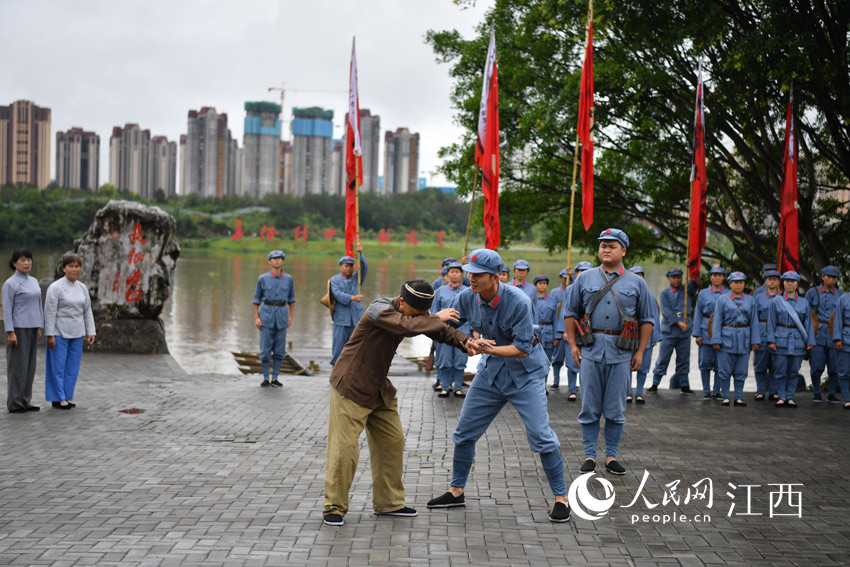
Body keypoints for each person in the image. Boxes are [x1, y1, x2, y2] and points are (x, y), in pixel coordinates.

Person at [426, 249, 570, 523]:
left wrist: (483, 349)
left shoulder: (518, 301)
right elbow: (451, 326)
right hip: (491, 374)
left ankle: (561, 498)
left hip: (525, 373)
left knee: (541, 436)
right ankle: (456, 492)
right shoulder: (468, 296)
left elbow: (522, 349)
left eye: (477, 275)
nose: (471, 278)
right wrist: (465, 340)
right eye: (469, 273)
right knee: (464, 432)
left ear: (495, 277)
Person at [323, 280, 472, 527]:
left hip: (379, 388)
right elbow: (406, 325)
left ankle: (389, 503)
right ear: (402, 302)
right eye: (418, 314)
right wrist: (435, 316)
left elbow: (437, 330)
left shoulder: (415, 316)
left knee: (392, 442)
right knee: (345, 449)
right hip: (351, 386)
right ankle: (334, 507)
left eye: (424, 314)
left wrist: (466, 342)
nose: (421, 318)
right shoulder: (378, 309)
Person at [564, 229, 654, 476]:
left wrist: (641, 352)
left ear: (623, 251)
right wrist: (573, 345)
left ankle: (611, 456)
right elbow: (570, 313)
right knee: (589, 406)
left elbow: (647, 320)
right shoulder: (584, 279)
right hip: (591, 349)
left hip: (622, 351)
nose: (606, 249)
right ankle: (589, 455)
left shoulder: (637, 282)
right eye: (603, 245)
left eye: (612, 246)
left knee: (615, 408)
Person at [43, 255, 96, 409]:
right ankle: (58, 398)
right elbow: (50, 312)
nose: (74, 269)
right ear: (64, 268)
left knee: (72, 367)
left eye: (77, 266)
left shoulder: (82, 288)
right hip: (59, 331)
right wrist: (50, 334)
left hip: (77, 332)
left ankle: (66, 395)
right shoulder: (56, 287)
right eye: (70, 266)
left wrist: (90, 331)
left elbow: (87, 311)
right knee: (57, 366)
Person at [709, 272, 759, 406]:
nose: (738, 285)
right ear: (730, 284)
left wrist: (755, 340)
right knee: (724, 370)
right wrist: (716, 339)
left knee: (741, 371)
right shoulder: (722, 299)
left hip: (744, 337)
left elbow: (754, 321)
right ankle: (725, 396)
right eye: (735, 282)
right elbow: (717, 320)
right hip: (727, 337)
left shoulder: (750, 300)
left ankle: (738, 396)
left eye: (741, 282)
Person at [766, 271, 815, 408]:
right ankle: (781, 396)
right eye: (787, 281)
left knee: (794, 370)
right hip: (780, 339)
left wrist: (810, 341)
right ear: (783, 283)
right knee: (780, 370)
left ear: (797, 284)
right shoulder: (776, 301)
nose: (789, 283)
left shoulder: (804, 302)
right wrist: (771, 340)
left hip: (798, 340)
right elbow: (771, 322)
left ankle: (791, 397)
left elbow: (808, 324)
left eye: (792, 281)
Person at [3, 249, 43, 413]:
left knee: (30, 366)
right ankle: (15, 402)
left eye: (29, 259)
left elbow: (38, 304)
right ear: (14, 263)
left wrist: (40, 325)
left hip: (33, 328)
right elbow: (7, 309)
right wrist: (10, 331)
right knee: (17, 366)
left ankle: (25, 400)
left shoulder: (34, 281)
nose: (27, 263)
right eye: (22, 260)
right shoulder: (10, 284)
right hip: (19, 329)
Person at [648, 268, 696, 394]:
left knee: (684, 359)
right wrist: (678, 322)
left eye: (679, 277)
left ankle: (684, 385)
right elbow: (666, 312)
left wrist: (691, 265)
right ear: (669, 279)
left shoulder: (687, 291)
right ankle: (655, 383)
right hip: (669, 330)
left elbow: (695, 282)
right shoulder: (665, 293)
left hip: (684, 331)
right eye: (673, 277)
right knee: (663, 358)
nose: (676, 280)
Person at [252, 250, 295, 387]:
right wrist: (256, 317)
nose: (277, 261)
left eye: (279, 258)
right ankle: (265, 377)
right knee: (265, 349)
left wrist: (290, 316)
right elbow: (256, 300)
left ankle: (275, 378)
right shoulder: (262, 279)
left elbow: (292, 299)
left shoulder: (288, 279)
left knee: (279, 349)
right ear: (269, 261)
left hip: (282, 314)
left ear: (283, 261)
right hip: (266, 314)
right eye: (274, 258)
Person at [432, 262, 470, 398]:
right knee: (444, 360)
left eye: (457, 272)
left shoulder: (468, 291)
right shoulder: (440, 291)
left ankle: (458, 387)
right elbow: (434, 312)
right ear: (447, 275)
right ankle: (445, 386)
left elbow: (472, 313)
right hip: (444, 330)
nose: (454, 274)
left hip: (463, 329)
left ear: (461, 274)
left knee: (460, 360)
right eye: (452, 272)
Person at [805, 266, 843, 402]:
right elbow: (807, 315)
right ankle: (817, 392)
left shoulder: (840, 295)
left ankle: (832, 393)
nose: (831, 280)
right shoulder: (812, 293)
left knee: (834, 367)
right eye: (829, 277)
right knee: (816, 366)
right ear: (823, 277)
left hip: (834, 334)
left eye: (834, 277)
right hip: (817, 334)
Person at [555, 261, 592, 399]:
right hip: (573, 329)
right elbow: (565, 310)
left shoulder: (596, 288)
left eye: (586, 271)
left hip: (588, 330)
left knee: (587, 362)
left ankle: (586, 390)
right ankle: (572, 390)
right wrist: (564, 330)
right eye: (580, 271)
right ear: (576, 273)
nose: (583, 274)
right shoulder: (570, 289)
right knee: (572, 361)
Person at [626, 266, 661, 404]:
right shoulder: (626, 294)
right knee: (627, 365)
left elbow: (654, 318)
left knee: (644, 366)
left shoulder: (649, 295)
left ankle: (639, 393)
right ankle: (628, 392)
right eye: (635, 275)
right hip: (629, 335)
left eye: (640, 275)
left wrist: (655, 336)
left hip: (645, 336)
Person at [692, 267, 728, 399]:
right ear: (711, 277)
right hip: (706, 329)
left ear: (723, 278)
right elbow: (698, 314)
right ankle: (706, 390)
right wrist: (697, 334)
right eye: (715, 275)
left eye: (720, 275)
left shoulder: (728, 294)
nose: (717, 278)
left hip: (723, 331)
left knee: (720, 363)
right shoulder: (703, 293)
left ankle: (717, 390)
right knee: (705, 362)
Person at [330, 244, 367, 366]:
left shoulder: (357, 278)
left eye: (351, 266)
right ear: (341, 267)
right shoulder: (335, 280)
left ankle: (353, 374)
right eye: (346, 266)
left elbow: (364, 267)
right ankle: (336, 374)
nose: (349, 268)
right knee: (338, 348)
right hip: (341, 319)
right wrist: (352, 298)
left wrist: (360, 253)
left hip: (356, 318)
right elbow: (337, 294)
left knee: (357, 348)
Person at [753, 269, 781, 401]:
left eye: (775, 279)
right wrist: (755, 337)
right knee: (760, 364)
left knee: (776, 364)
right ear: (765, 281)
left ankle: (774, 391)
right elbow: (754, 318)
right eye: (770, 279)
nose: (772, 281)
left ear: (778, 282)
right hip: (762, 331)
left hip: (778, 333)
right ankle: (760, 391)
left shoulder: (783, 297)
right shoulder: (758, 298)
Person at [831, 291, 850, 409]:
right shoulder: (844, 298)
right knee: (844, 371)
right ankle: (847, 399)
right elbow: (837, 319)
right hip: (846, 339)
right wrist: (837, 339)